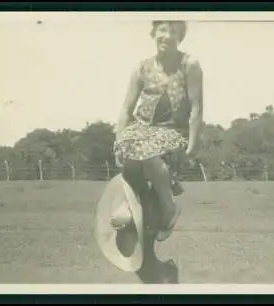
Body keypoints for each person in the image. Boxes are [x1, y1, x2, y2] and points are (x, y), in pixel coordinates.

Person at [114, 20, 204, 242]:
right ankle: (134, 204)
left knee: (151, 156)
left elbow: (196, 107)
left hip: (174, 129)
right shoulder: (141, 67)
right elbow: (126, 108)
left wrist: (192, 145)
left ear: (180, 37)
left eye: (173, 31)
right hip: (141, 129)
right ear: (153, 33)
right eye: (162, 30)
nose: (167, 35)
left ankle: (168, 207)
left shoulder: (189, 65)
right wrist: (118, 141)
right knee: (130, 157)